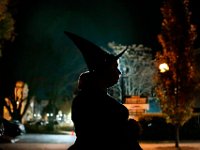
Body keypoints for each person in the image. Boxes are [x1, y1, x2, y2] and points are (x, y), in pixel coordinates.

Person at [64, 31, 143, 150]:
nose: (119, 72)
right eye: (115, 67)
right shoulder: (95, 102)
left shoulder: (83, 99)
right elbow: (104, 138)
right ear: (104, 72)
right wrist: (129, 130)